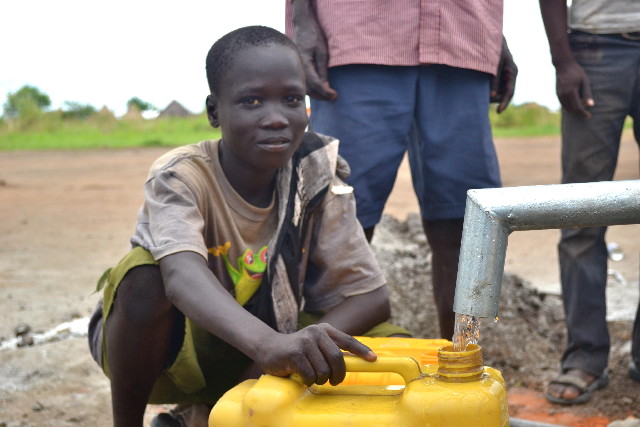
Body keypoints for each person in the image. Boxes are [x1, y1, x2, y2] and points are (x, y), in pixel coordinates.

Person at [87, 25, 410, 427]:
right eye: (252, 101)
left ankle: (207, 416)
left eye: (292, 99)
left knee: (391, 345)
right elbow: (181, 278)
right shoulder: (180, 177)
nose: (276, 118)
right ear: (214, 111)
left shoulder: (316, 172)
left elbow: (370, 297)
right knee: (143, 275)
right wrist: (270, 347)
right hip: (174, 352)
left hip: (268, 341)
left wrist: (288, 352)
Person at [285, 0, 518, 339]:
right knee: (337, 216)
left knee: (467, 223)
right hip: (358, 36)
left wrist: (496, 35)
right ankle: (322, 365)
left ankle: (462, 363)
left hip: (462, 35)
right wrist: (301, 20)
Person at [539, 0, 640, 405]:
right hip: (595, 47)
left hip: (596, 49)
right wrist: (563, 61)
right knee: (582, 211)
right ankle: (585, 355)